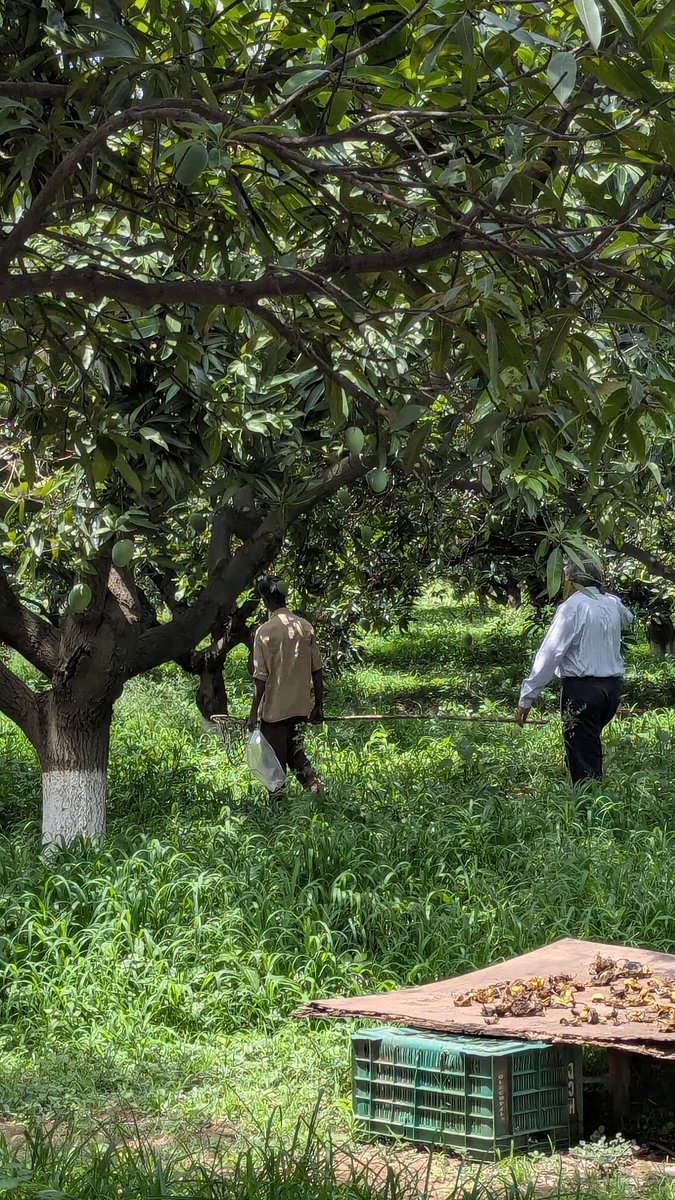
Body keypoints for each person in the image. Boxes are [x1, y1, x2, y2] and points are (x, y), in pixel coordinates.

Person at [515, 556, 633, 785]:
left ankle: (589, 806)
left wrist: (527, 698)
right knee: (587, 744)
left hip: (583, 690)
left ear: (571, 580)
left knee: (583, 754)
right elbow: (629, 619)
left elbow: (549, 655)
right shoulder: (612, 603)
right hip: (612, 689)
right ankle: (591, 795)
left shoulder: (572, 607)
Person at [248, 574, 324, 793]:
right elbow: (317, 671)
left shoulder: (264, 632)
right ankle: (317, 790)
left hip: (275, 710)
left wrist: (254, 712)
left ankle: (278, 808)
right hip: (300, 707)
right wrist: (318, 705)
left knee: (274, 762)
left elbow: (260, 677)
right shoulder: (305, 627)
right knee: (295, 752)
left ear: (266, 601)